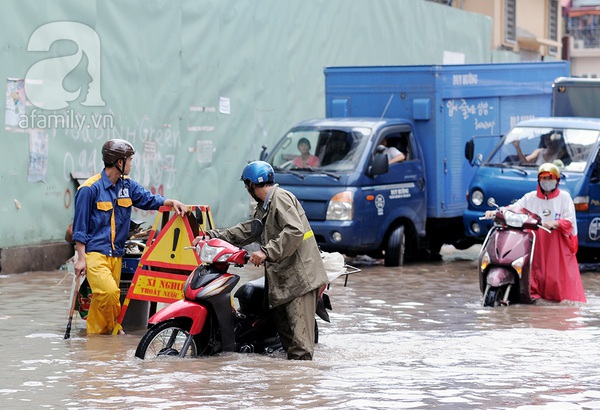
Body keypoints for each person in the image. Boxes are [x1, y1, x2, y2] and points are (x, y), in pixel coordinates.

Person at [194, 160, 328, 360]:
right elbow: (249, 230)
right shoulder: (264, 207)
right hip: (284, 278)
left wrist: (266, 251)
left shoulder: (280, 198)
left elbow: (295, 229)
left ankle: (302, 385)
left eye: (246, 185)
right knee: (287, 341)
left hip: (300, 278)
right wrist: (212, 236)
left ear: (251, 185)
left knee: (300, 348)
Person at [72, 139, 186, 335]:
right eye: (129, 160)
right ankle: (113, 330)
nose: (132, 164)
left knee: (107, 299)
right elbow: (80, 228)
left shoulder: (128, 186)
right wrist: (81, 259)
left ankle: (98, 343)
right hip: (95, 254)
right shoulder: (90, 189)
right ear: (119, 162)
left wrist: (171, 201)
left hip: (117, 254)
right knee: (108, 293)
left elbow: (149, 199)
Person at [484, 163, 585, 303]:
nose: (547, 181)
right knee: (534, 269)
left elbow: (569, 221)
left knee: (556, 277)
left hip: (556, 244)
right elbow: (514, 208)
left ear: (557, 180)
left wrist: (554, 223)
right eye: (543, 178)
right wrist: (495, 212)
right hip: (536, 241)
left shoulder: (564, 197)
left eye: (550, 178)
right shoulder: (531, 197)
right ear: (538, 180)